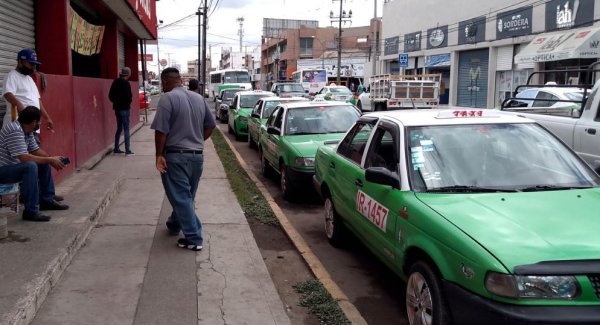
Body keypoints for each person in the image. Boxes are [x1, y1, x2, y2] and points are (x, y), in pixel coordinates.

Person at [151, 67, 216, 251]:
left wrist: (158, 155)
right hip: (197, 157)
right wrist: (195, 141)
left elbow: (161, 130)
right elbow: (211, 126)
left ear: (165, 81)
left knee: (181, 197)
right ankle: (174, 224)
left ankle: (194, 238)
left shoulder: (168, 98)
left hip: (176, 156)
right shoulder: (198, 98)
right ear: (180, 80)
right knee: (186, 196)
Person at [0, 106, 69, 222]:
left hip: (13, 168)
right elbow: (24, 157)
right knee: (30, 166)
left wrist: (51, 158)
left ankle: (47, 200)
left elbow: (35, 150)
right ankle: (31, 211)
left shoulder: (27, 130)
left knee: (44, 160)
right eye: (39, 122)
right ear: (34, 122)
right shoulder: (14, 130)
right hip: (3, 171)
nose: (39, 124)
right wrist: (50, 160)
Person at [2, 49, 54, 139]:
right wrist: (20, 105)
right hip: (18, 126)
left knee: (32, 151)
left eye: (34, 64)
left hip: (32, 127)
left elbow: (37, 101)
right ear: (20, 62)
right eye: (30, 64)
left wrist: (47, 118)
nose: (33, 67)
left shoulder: (30, 79)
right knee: (21, 152)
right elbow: (7, 93)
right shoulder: (12, 75)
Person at [108, 67, 134, 155]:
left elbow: (110, 95)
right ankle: (128, 150)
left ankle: (116, 148)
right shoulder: (126, 83)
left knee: (119, 128)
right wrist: (127, 103)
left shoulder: (115, 81)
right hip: (125, 109)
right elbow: (129, 97)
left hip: (117, 108)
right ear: (128, 74)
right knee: (126, 129)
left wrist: (116, 103)